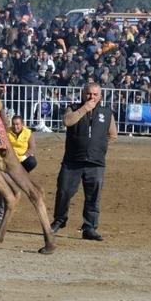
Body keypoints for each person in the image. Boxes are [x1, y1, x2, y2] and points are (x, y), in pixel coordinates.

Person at [51, 82, 117, 241]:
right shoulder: (73, 108)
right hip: (73, 160)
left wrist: (98, 145)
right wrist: (84, 109)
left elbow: (112, 135)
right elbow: (67, 122)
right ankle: (60, 220)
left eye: (95, 94)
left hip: (96, 162)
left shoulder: (107, 112)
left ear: (100, 96)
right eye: (88, 94)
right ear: (83, 94)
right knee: (64, 191)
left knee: (94, 196)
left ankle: (90, 227)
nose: (91, 97)